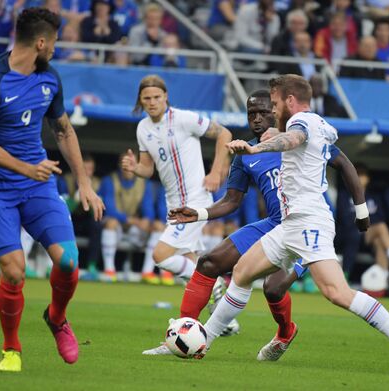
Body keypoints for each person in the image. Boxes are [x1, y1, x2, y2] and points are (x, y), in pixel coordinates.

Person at [204, 74, 389, 375]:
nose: (272, 110)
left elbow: (293, 139)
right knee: (243, 272)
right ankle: (203, 339)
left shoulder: (302, 124)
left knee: (337, 292)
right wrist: (361, 211)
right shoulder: (320, 123)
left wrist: (257, 149)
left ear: (290, 101)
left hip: (310, 222)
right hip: (291, 223)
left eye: (274, 103)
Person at [145, 89, 369, 358]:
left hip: (308, 225)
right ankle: (183, 334)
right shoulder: (245, 153)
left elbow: (345, 164)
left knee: (273, 288)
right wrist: (199, 213)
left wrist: (361, 210)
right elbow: (231, 201)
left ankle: (286, 331)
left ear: (276, 111)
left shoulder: (299, 138)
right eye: (252, 114)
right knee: (208, 262)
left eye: (264, 112)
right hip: (273, 224)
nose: (258, 118)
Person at [0, 7, 104, 372]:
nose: (56, 48)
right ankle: (11, 349)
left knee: (69, 261)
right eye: (55, 42)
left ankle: (57, 317)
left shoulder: (50, 78)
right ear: (40, 42)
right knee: (14, 271)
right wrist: (28, 168)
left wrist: (85, 183)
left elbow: (63, 131)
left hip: (37, 183)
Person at [121, 73, 232, 308]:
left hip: (195, 200)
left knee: (160, 255)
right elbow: (148, 169)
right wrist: (134, 168)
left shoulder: (184, 118)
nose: (151, 102)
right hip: (174, 205)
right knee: (190, 265)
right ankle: (223, 321)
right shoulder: (143, 128)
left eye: (156, 97)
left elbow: (224, 134)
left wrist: (215, 172)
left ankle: (214, 283)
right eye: (146, 98)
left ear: (166, 97)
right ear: (140, 100)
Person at [335, 163, 389, 277]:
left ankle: (383, 279)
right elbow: (345, 218)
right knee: (380, 228)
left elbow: (380, 216)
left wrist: (364, 220)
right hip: (350, 234)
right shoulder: (344, 194)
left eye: (363, 174)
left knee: (380, 240)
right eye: (357, 174)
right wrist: (364, 220)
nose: (360, 177)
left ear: (368, 178)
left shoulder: (373, 197)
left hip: (368, 233)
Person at [98, 152, 156, 282]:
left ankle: (147, 272)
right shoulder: (109, 180)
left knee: (157, 226)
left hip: (134, 228)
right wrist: (131, 220)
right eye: (125, 163)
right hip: (117, 226)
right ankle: (109, 270)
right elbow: (109, 210)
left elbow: (149, 210)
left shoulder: (144, 183)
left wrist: (147, 220)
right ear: (120, 165)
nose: (128, 167)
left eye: (132, 163)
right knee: (110, 222)